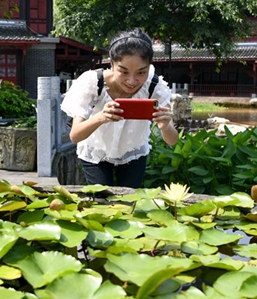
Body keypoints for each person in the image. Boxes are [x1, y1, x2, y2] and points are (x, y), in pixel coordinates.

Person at [60, 28, 178, 188]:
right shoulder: (92, 82)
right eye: (123, 71)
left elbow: (172, 140)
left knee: (129, 203)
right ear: (111, 63)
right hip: (96, 151)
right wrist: (101, 117)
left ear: (149, 67)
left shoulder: (154, 86)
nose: (132, 81)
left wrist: (165, 127)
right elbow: (75, 136)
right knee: (101, 201)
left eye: (141, 72)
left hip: (133, 151)